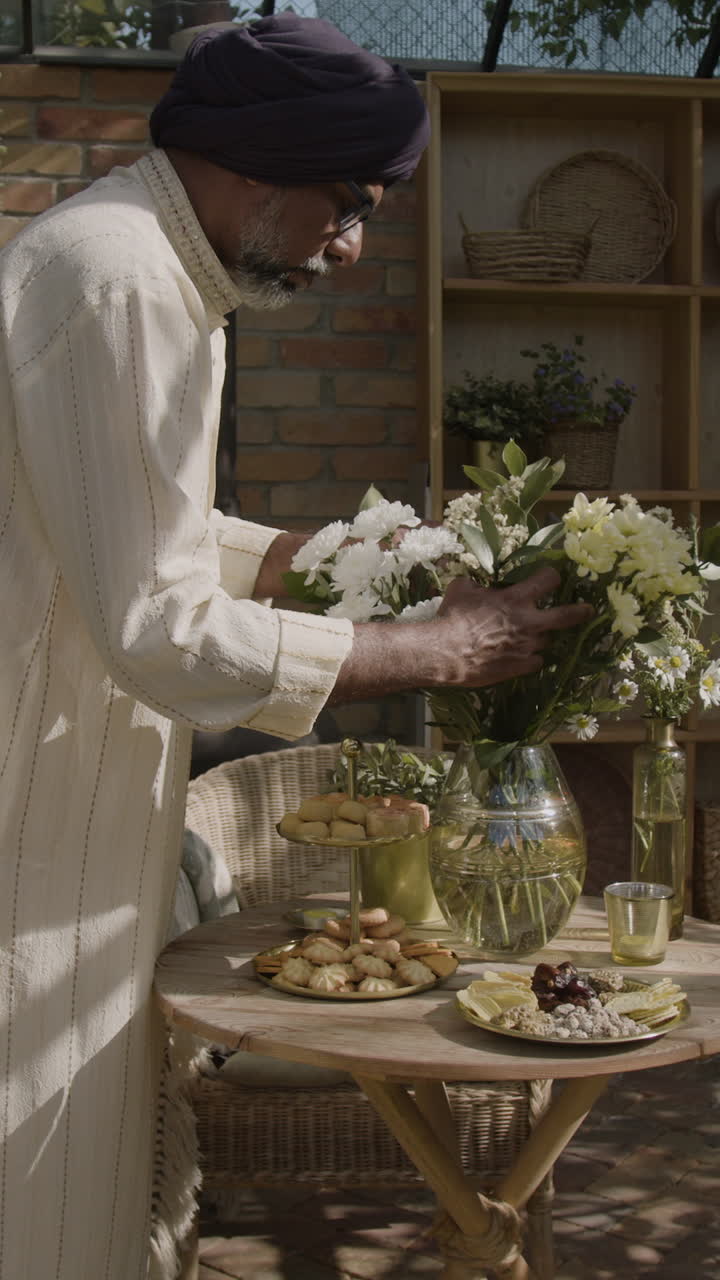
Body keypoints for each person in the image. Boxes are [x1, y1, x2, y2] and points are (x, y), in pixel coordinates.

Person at [0, 14, 592, 1280]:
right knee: (44, 1208)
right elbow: (155, 623)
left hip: (80, 813)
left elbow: (144, 528)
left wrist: (338, 556)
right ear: (259, 162)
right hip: (30, 828)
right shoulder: (119, 281)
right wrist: (422, 649)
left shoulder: (157, 276)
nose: (353, 243)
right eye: (349, 202)